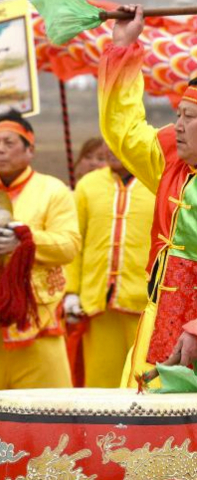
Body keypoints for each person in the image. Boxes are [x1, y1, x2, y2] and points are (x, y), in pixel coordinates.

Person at [0, 110, 80, 451]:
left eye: (9, 143)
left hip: (37, 324)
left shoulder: (53, 191)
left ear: (29, 150)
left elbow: (70, 244)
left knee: (54, 427)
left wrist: (27, 241)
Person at [97, 4, 197, 382]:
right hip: (157, 323)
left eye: (190, 117)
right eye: (179, 115)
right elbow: (123, 128)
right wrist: (123, 46)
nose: (178, 126)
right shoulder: (172, 158)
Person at [64, 147, 154, 388]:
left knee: (145, 385)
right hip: (97, 303)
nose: (112, 149)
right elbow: (76, 241)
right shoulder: (88, 186)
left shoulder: (156, 180)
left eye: (120, 141)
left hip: (147, 305)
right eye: (109, 142)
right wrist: (71, 291)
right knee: (100, 386)